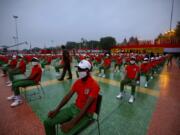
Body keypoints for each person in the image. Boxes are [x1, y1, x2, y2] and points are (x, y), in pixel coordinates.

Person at [44, 59, 100, 135]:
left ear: (87, 71)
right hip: (74, 108)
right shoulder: (78, 82)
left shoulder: (94, 86)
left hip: (86, 114)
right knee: (47, 122)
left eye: (81, 69)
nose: (78, 71)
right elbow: (67, 97)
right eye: (78, 69)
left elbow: (86, 107)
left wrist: (72, 123)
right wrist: (56, 109)